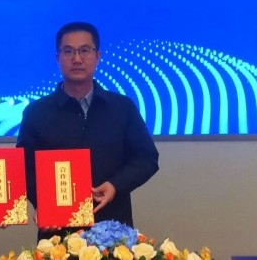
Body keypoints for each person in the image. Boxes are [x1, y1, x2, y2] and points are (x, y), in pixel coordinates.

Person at [17, 21, 159, 240]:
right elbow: (23, 168)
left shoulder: (122, 107)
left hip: (114, 233)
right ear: (57, 58)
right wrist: (42, 204)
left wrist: (115, 185)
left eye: (84, 50)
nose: (77, 59)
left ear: (97, 56)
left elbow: (146, 158)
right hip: (57, 235)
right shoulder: (36, 112)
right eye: (68, 51)